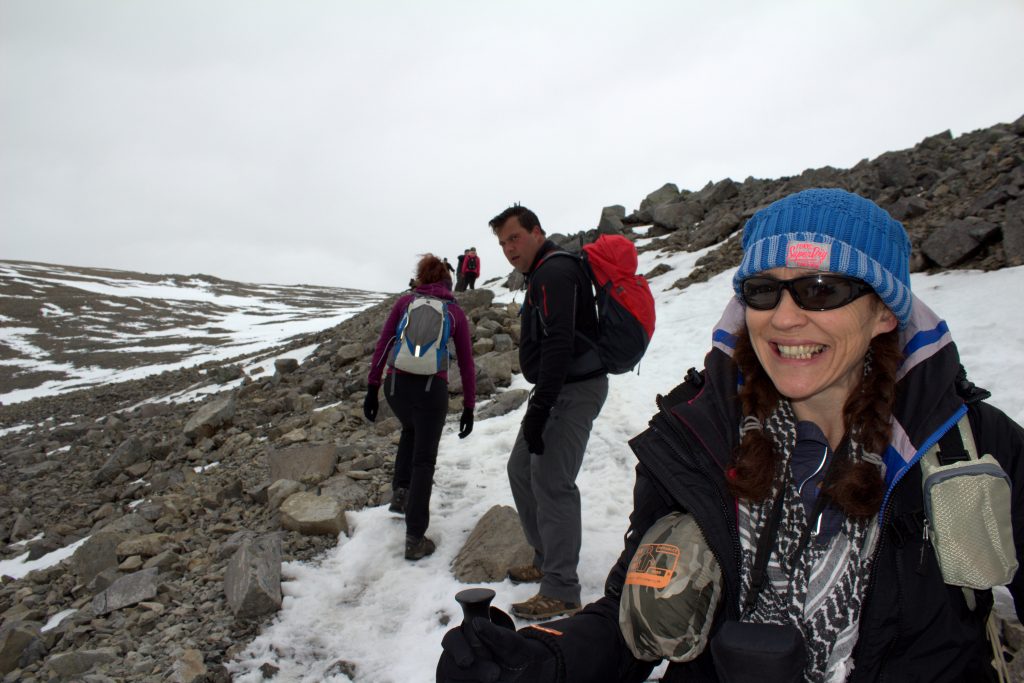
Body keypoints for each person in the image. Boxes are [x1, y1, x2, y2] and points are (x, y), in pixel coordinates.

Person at [438, 189, 1024, 682]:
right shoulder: (696, 439)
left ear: (885, 312)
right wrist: (544, 661)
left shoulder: (973, 449)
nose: (786, 317)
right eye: (763, 292)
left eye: (821, 288)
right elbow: (635, 614)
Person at [488, 205, 609, 621]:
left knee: (553, 481)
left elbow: (559, 343)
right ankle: (545, 556)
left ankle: (561, 588)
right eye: (502, 243)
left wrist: (539, 409)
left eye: (514, 238)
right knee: (522, 469)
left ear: (537, 232)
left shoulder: (555, 272)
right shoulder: (542, 272)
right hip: (557, 388)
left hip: (574, 390)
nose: (508, 249)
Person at [364, 254, 476, 561]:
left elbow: (385, 343)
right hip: (430, 390)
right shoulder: (453, 311)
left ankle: (400, 495)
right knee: (424, 461)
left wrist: (373, 388)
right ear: (447, 282)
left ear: (421, 277)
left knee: (410, 430)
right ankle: (414, 537)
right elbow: (466, 363)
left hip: (396, 386)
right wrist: (468, 405)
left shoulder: (405, 304)